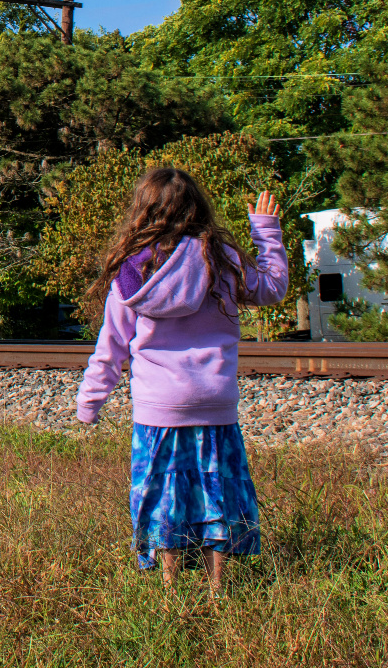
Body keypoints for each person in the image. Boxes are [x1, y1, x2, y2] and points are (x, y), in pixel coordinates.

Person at [76, 168, 289, 593]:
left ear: (144, 210)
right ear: (197, 207)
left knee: (163, 496)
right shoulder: (221, 257)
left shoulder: (134, 272)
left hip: (159, 409)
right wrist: (266, 230)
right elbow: (272, 288)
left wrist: (89, 404)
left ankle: (171, 588)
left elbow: (111, 348)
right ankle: (216, 588)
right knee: (216, 493)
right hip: (215, 403)